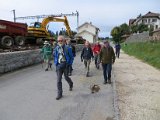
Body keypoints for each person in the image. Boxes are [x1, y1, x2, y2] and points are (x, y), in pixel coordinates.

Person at [53, 35, 74, 100]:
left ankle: (71, 83)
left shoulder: (68, 48)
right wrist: (56, 63)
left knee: (66, 77)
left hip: (65, 65)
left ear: (64, 41)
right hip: (59, 65)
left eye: (61, 40)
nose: (60, 42)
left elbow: (71, 57)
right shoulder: (56, 48)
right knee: (58, 80)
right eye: (58, 41)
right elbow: (55, 56)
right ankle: (60, 93)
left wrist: (69, 64)